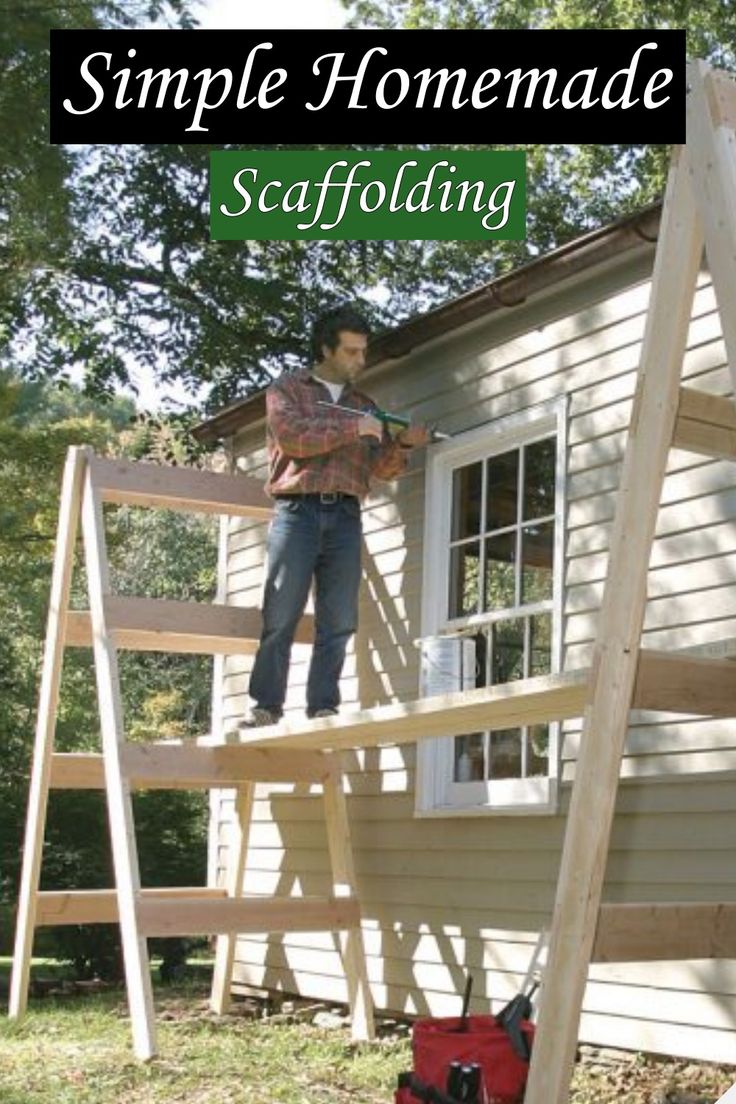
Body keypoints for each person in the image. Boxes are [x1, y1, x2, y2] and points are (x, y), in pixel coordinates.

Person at [243, 304, 429, 727]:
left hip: (346, 515)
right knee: (281, 614)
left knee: (340, 618)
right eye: (350, 352)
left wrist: (402, 445)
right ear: (326, 348)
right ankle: (265, 706)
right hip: (297, 512)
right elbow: (292, 440)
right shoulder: (287, 389)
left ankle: (323, 706)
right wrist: (353, 429)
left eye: (363, 352)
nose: (360, 361)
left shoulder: (365, 404)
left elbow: (379, 469)